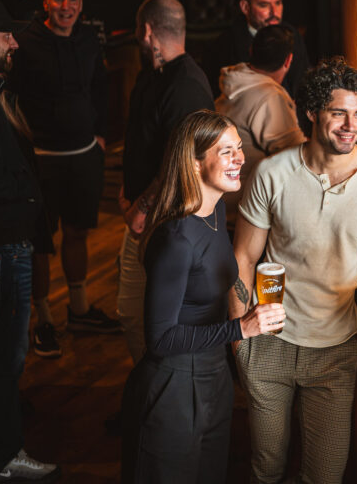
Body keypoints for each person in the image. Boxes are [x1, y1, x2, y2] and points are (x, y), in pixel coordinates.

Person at [231, 57, 357, 483]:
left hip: (336, 347)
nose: (350, 125)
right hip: (269, 343)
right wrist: (238, 333)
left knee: (325, 475)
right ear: (312, 112)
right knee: (266, 469)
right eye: (338, 113)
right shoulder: (272, 173)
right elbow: (242, 257)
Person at [120, 110, 285, 483]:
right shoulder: (176, 238)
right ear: (195, 165)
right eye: (226, 152)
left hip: (213, 378)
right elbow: (160, 339)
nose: (239, 159)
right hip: (173, 387)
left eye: (239, 149)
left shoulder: (214, 214)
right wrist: (240, 329)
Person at [8, 0, 118, 358]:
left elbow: (102, 88)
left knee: (78, 232)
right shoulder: (26, 42)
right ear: (46, 4)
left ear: (81, 5)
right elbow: (11, 97)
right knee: (40, 242)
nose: (66, 7)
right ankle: (44, 321)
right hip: (42, 160)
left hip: (84, 154)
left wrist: (101, 134)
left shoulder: (88, 39)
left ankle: (80, 310)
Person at [117, 0, 215, 365]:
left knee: (149, 322)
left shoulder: (186, 85)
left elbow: (183, 160)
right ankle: (145, 406)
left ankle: (156, 410)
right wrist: (128, 192)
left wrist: (142, 208)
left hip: (164, 220)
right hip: (142, 214)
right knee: (131, 315)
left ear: (146, 31)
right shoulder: (152, 74)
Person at [0, 1, 60, 482]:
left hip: (14, 241)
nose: (14, 42)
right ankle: (5, 457)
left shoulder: (2, 92)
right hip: (3, 245)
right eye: (4, 34)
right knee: (5, 357)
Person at [215, 23, 306, 226]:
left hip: (218, 203)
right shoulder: (269, 97)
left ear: (251, 51)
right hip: (243, 213)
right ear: (289, 60)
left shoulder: (233, 82)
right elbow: (297, 159)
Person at [207, 0, 309, 99]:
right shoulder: (224, 45)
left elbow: (303, 87)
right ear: (245, 7)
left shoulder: (293, 36)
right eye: (264, 5)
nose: (274, 12)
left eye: (278, 3)